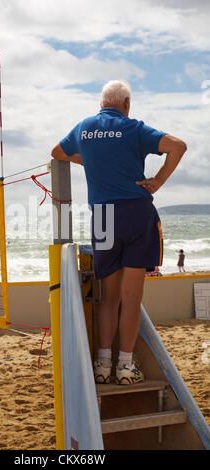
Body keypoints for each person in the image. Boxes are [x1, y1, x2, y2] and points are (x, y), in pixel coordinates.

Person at [51, 80, 187, 385]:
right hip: (136, 212)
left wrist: (89, 159)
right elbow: (178, 147)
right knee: (131, 296)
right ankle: (125, 364)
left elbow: (57, 152)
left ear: (101, 103)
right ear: (126, 104)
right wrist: (158, 180)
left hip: (103, 215)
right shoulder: (133, 128)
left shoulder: (84, 128)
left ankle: (102, 364)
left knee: (108, 297)